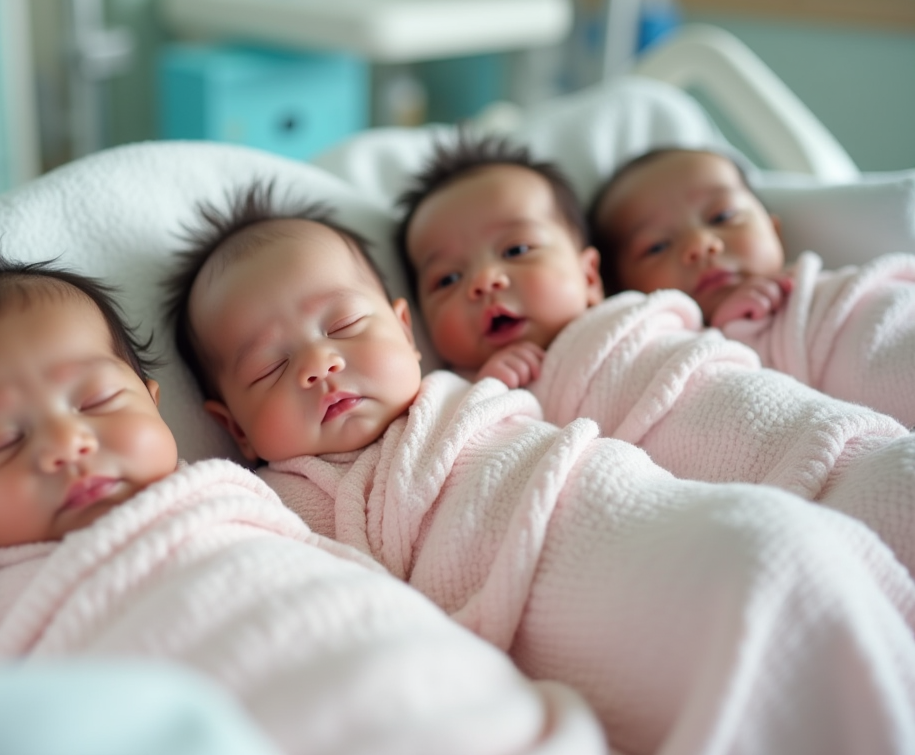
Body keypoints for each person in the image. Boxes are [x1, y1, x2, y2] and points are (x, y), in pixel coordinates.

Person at [165, 179, 915, 755]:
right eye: (268, 367)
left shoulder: (479, 388)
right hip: (580, 594)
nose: (320, 364)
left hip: (644, 508)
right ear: (234, 428)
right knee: (763, 584)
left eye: (344, 326)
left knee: (789, 548)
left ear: (406, 331)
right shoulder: (295, 499)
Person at [0, 231, 604, 755]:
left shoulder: (238, 498)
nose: (67, 444)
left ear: (158, 409)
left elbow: (368, 588)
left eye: (95, 403)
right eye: (1, 440)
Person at [396, 134, 915, 575]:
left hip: (810, 438)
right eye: (447, 279)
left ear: (592, 277)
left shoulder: (642, 314)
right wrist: (499, 393)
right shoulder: (474, 393)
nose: (485, 282)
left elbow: (737, 360)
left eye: (515, 250)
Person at [587, 146, 915, 426]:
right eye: (656, 247)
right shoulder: (679, 359)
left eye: (722, 216)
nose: (700, 244)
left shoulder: (819, 290)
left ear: (774, 230)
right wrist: (736, 330)